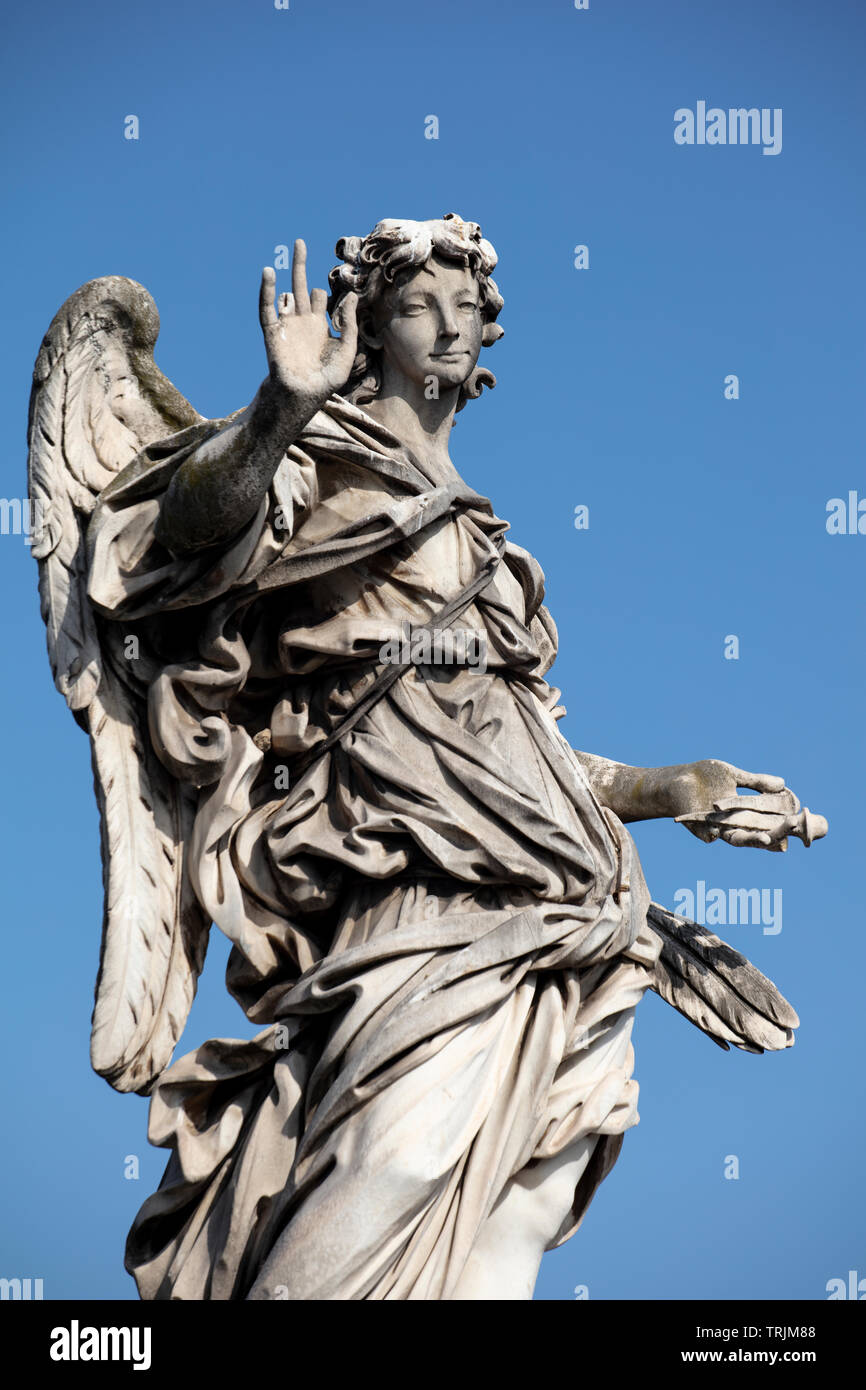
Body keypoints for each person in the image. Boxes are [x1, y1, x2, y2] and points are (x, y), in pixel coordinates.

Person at [86, 215, 798, 1299]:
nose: (452, 322)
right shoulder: (317, 459)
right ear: (369, 326)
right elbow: (180, 532)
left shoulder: (500, 555)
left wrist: (670, 788)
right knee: (400, 1157)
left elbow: (522, 747)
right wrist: (283, 404)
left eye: (468, 305)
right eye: (422, 302)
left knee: (523, 1196)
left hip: (558, 890)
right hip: (400, 868)